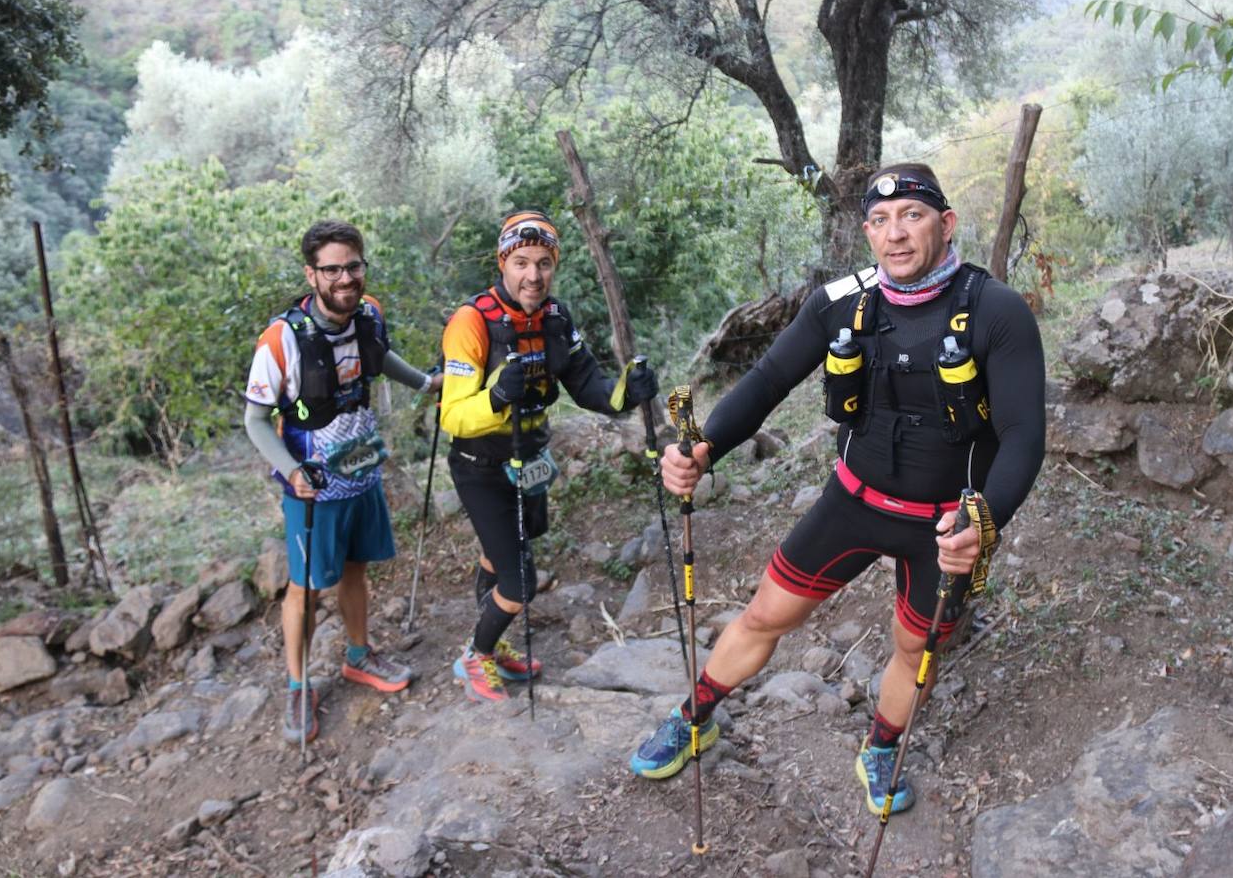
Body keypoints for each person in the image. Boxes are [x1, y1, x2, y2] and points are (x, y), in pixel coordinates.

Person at [629, 165, 1046, 818]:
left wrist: (983, 524)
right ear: (867, 233)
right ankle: (696, 715)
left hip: (945, 530)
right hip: (851, 504)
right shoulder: (840, 302)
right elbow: (768, 381)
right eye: (879, 221)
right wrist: (706, 448)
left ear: (947, 224)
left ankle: (881, 745)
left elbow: (1023, 435)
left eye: (912, 215)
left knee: (918, 648)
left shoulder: (995, 311)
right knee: (767, 614)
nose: (895, 234)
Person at [440, 210, 659, 702]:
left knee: (500, 555)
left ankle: (492, 650)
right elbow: (452, 417)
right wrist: (497, 395)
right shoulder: (471, 322)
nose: (532, 275)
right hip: (480, 465)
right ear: (503, 261)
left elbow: (588, 385)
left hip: (530, 461)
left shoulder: (555, 319)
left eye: (543, 263)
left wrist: (628, 392)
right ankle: (475, 656)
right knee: (520, 583)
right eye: (521, 262)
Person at [243, 219, 441, 744]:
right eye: (332, 269)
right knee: (306, 588)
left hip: (360, 470)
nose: (345, 278)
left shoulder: (367, 316)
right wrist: (290, 471)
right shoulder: (281, 339)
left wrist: (426, 383)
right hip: (311, 484)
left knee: (356, 569)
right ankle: (298, 684)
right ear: (312, 275)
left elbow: (379, 359)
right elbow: (255, 420)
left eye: (353, 266)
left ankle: (358, 656)